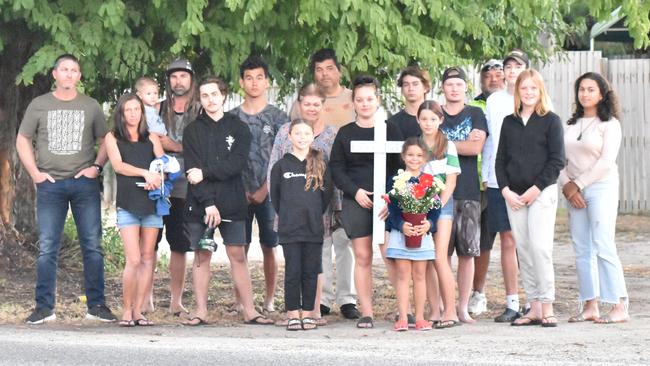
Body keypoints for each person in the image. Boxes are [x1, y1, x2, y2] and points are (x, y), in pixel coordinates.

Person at [16, 54, 117, 324]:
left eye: (74, 70)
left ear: (79, 76)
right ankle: (44, 308)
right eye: (64, 69)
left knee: (92, 247)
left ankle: (97, 307)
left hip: (83, 184)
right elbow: (22, 139)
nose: (69, 74)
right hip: (51, 185)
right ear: (55, 74)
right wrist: (35, 173)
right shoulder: (39, 105)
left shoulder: (91, 105)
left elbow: (107, 139)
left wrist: (96, 166)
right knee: (48, 247)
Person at [182, 75, 273, 326]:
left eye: (214, 94)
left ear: (223, 95)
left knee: (238, 254)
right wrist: (208, 202)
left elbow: (236, 164)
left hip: (233, 200)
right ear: (199, 99)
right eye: (204, 95)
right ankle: (200, 311)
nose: (210, 99)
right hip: (201, 202)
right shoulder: (192, 131)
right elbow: (192, 171)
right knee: (202, 255)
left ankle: (250, 310)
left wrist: (207, 172)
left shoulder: (238, 128)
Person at [329, 75, 402, 328]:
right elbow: (337, 168)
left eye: (370, 99)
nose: (365, 103)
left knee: (391, 254)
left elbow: (402, 167)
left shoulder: (390, 129)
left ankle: (403, 310)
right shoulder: (346, 133)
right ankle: (367, 312)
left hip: (386, 203)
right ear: (353, 103)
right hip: (356, 201)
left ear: (377, 100)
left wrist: (390, 197)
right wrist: (355, 191)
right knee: (362, 256)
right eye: (360, 100)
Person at [292, 48, 359, 319]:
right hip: (311, 183)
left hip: (345, 179)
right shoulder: (307, 100)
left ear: (339, 70)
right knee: (320, 242)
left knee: (345, 242)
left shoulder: (351, 99)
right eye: (319, 69)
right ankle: (322, 298)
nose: (324, 74)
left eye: (329, 68)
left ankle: (347, 298)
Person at [496, 69, 564, 327]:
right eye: (524, 88)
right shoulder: (508, 122)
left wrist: (536, 189)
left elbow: (557, 160)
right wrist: (505, 190)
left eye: (533, 88)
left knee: (540, 248)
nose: (528, 92)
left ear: (540, 91)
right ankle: (533, 306)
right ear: (518, 91)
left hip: (541, 193)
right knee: (523, 250)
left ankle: (547, 305)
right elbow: (500, 160)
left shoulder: (551, 121)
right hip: (513, 195)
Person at [559, 72, 629, 324]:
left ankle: (619, 305)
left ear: (601, 94)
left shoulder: (609, 124)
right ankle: (590, 304)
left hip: (601, 187)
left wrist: (576, 184)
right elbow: (559, 160)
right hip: (574, 188)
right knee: (582, 248)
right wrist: (567, 184)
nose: (585, 94)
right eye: (581, 89)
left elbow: (606, 163)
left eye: (591, 89)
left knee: (603, 244)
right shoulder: (570, 125)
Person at [268, 83, 338, 326]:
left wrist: (313, 213)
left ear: (312, 137)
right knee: (293, 272)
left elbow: (326, 193)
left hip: (313, 226)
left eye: (306, 134)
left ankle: (309, 312)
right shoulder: (282, 166)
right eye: (297, 134)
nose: (301, 138)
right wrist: (287, 213)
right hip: (289, 227)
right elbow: (275, 194)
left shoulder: (319, 163)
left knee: (311, 271)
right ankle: (292, 314)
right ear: (289, 136)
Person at [230, 55, 288, 313]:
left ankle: (269, 299)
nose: (254, 83)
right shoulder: (231, 117)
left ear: (267, 81)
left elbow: (283, 157)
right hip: (237, 192)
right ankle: (240, 300)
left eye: (259, 78)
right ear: (242, 82)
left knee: (269, 246)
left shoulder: (278, 117)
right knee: (238, 247)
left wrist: (265, 189)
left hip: (270, 192)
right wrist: (240, 190)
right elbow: (227, 157)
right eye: (249, 78)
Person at [104, 93, 164, 326]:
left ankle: (139, 310)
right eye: (128, 110)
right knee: (134, 259)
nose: (132, 114)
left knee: (148, 258)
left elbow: (164, 165)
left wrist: (157, 177)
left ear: (142, 112)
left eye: (136, 109)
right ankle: (126, 310)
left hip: (152, 203)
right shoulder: (113, 137)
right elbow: (118, 166)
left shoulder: (151, 137)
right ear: (121, 112)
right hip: (128, 204)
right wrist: (143, 172)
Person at [480, 50, 530, 322]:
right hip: (499, 181)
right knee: (507, 240)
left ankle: (535, 299)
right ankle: (512, 301)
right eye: (508, 67)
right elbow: (490, 141)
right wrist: (487, 174)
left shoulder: (535, 97)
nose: (511, 71)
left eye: (517, 66)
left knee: (530, 242)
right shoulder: (495, 101)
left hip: (528, 181)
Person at [439, 67, 488, 323]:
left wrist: (443, 143)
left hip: (468, 189)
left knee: (467, 253)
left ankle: (463, 307)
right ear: (443, 88)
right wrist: (459, 145)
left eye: (459, 84)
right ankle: (443, 307)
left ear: (465, 88)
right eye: (450, 84)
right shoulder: (435, 113)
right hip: (439, 193)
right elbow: (427, 146)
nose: (454, 88)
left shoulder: (476, 113)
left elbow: (475, 147)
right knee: (442, 253)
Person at [158, 58, 201, 317]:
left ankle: (176, 300)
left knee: (179, 245)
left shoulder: (200, 111)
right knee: (148, 245)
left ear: (191, 80)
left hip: (187, 189)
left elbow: (203, 147)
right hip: (158, 186)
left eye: (183, 76)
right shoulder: (157, 109)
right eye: (174, 77)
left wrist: (172, 146)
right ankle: (146, 299)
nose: (178, 81)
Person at [386, 138, 441, 332]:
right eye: (410, 155)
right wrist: (402, 225)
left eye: (419, 155)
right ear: (403, 157)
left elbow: (435, 209)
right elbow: (391, 209)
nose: (414, 159)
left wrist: (429, 224)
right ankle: (403, 317)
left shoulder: (430, 181)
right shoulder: (397, 180)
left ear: (425, 157)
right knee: (403, 275)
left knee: (420, 276)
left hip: (422, 234)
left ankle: (419, 318)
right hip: (402, 233)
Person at [417, 100, 461, 328]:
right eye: (424, 119)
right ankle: (434, 310)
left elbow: (451, 181)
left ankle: (450, 311)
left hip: (441, 205)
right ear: (418, 120)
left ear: (441, 120)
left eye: (433, 119)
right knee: (424, 259)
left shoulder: (448, 146)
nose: (428, 123)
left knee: (439, 257)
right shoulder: (415, 145)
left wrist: (437, 207)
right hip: (419, 206)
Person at [467, 59, 505, 317]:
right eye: (487, 74)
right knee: (477, 242)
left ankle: (523, 297)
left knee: (511, 242)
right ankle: (476, 293)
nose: (493, 78)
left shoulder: (516, 102)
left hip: (504, 181)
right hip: (476, 181)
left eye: (498, 73)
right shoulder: (473, 107)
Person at [134, 76, 167, 313]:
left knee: (150, 248)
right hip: (134, 188)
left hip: (155, 183)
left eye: (156, 93)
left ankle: (146, 297)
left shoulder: (153, 116)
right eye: (148, 94)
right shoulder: (142, 115)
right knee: (139, 251)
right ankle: (139, 298)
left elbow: (161, 155)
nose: (153, 98)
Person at [387, 66, 431, 138]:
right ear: (402, 90)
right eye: (406, 85)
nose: (411, 88)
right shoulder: (392, 124)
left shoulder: (435, 120)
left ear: (425, 88)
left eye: (415, 84)